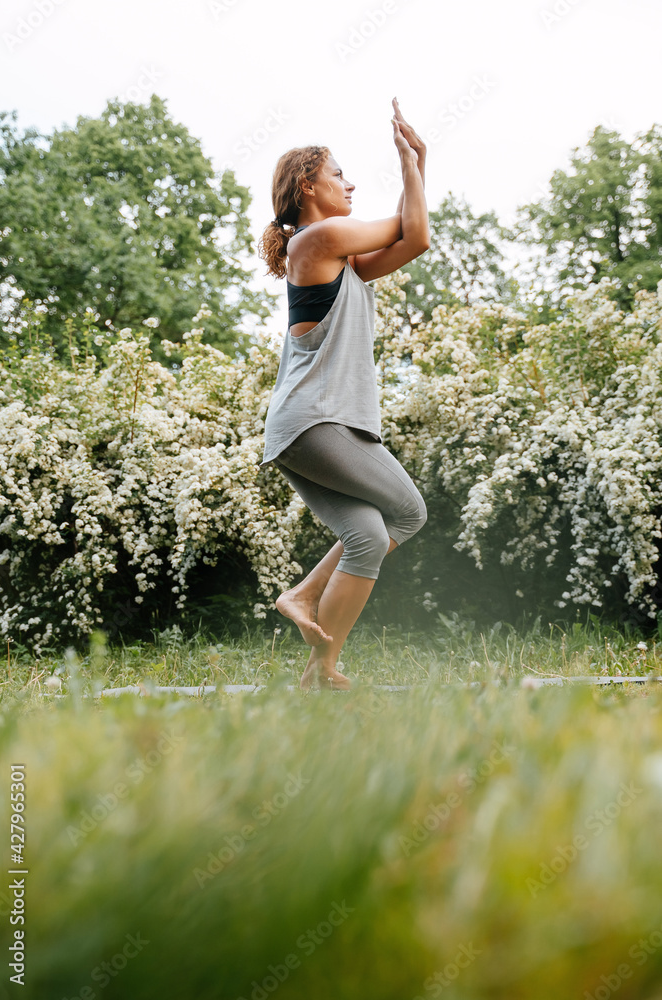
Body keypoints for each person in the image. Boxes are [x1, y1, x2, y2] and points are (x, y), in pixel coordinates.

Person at [257, 97, 430, 692]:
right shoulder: (320, 239)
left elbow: (415, 242)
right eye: (338, 175)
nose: (350, 184)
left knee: (366, 536)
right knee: (407, 512)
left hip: (308, 427)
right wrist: (408, 164)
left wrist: (418, 164)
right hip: (317, 421)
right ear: (308, 184)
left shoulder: (343, 260)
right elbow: (410, 228)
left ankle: (319, 671)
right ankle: (304, 595)